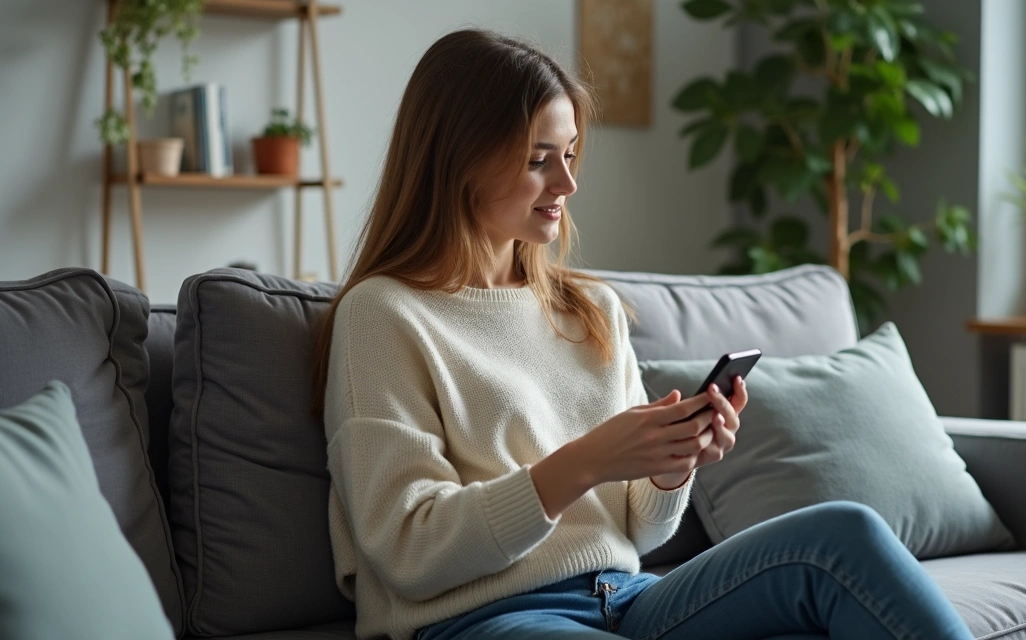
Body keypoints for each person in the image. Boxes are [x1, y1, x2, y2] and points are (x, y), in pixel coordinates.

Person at [308, 28, 974, 640]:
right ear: (458, 159)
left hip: (627, 596)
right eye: (540, 159)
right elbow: (409, 551)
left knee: (843, 537)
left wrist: (670, 465)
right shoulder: (385, 315)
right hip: (486, 618)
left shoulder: (589, 309)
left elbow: (641, 532)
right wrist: (585, 462)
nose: (568, 182)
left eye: (570, 154)